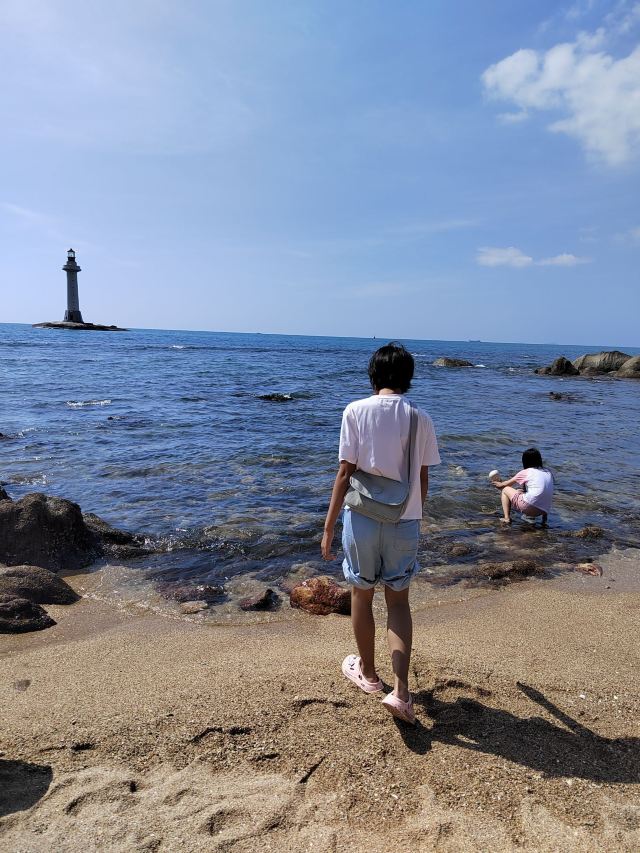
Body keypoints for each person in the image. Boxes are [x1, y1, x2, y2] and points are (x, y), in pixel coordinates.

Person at [321, 342, 440, 725]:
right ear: (408, 377)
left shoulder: (355, 411)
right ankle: (401, 693)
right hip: (405, 518)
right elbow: (422, 478)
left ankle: (369, 675)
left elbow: (345, 473)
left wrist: (328, 525)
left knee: (361, 592)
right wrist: (413, 515)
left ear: (373, 375)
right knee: (398, 602)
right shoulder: (421, 418)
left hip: (362, 517)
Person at [492, 447, 553, 526]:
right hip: (543, 510)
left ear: (525, 461)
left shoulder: (526, 472)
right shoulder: (548, 472)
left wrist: (497, 482)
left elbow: (504, 485)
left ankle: (506, 518)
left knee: (505, 490)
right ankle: (544, 521)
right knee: (533, 493)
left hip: (530, 508)